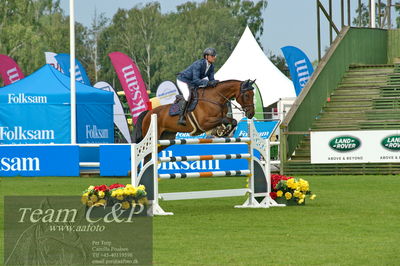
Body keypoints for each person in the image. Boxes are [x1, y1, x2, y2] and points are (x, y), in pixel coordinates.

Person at [176, 47, 219, 126]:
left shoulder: (211, 67)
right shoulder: (198, 64)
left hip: (192, 83)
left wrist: (215, 83)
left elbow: (211, 80)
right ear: (206, 56)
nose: (214, 57)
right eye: (212, 56)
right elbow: (196, 80)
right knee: (187, 95)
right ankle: (181, 117)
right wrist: (209, 82)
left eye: (214, 56)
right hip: (183, 80)